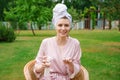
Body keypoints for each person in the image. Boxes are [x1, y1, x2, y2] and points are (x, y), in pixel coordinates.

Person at [34, 3, 82, 80]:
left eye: (66, 25)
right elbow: (36, 67)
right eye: (60, 25)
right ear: (55, 26)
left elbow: (77, 68)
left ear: (70, 27)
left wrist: (70, 64)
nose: (63, 28)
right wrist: (42, 66)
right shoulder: (46, 42)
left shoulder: (75, 43)